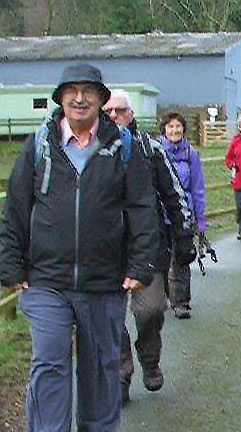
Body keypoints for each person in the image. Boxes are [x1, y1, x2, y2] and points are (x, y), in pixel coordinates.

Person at [0, 64, 158, 431]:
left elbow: (142, 208)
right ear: (60, 99)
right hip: (46, 281)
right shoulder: (39, 145)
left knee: (101, 367)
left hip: (104, 282)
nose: (79, 97)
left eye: (88, 90)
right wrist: (10, 265)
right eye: (71, 90)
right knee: (50, 360)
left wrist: (140, 265)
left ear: (102, 100)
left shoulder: (123, 147)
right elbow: (16, 209)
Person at [103, 90, 196, 405]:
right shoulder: (90, 151)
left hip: (148, 246)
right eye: (109, 111)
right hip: (105, 250)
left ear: (131, 115)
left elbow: (175, 193)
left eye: (120, 111)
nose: (114, 116)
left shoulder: (150, 149)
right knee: (112, 318)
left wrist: (184, 236)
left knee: (150, 311)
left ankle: (150, 358)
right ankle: (120, 376)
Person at [160, 112, 206, 319]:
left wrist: (200, 218)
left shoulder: (191, 154)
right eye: (170, 127)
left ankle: (181, 302)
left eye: (178, 127)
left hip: (183, 214)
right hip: (160, 215)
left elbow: (197, 187)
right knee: (160, 259)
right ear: (164, 130)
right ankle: (162, 297)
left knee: (181, 258)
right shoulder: (156, 152)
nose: (174, 130)